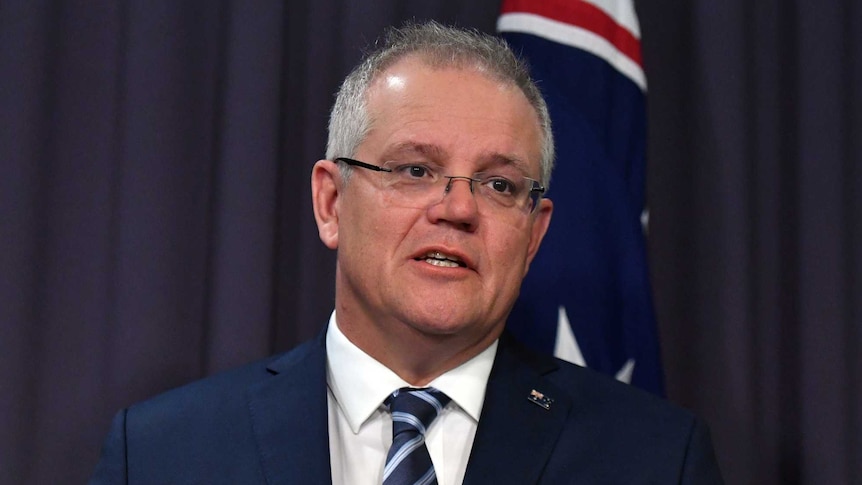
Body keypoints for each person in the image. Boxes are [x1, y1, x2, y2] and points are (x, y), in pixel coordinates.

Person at [90, 21, 723, 484]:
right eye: (415, 170)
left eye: (500, 184)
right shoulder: (158, 454)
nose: (456, 207)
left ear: (533, 236)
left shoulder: (655, 459)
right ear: (331, 202)